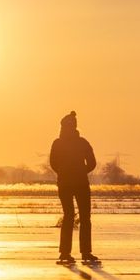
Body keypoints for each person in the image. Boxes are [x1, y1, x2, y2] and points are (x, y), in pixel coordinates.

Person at [49, 110, 98, 265]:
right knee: (83, 217)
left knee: (70, 216)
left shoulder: (58, 143)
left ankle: (66, 253)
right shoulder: (82, 142)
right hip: (79, 184)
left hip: (67, 184)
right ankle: (85, 252)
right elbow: (92, 163)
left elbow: (53, 163)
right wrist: (80, 171)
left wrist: (64, 173)